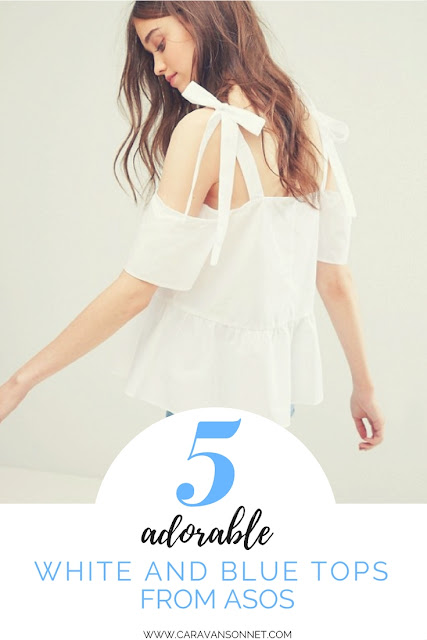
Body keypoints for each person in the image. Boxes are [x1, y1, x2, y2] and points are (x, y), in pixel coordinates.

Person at [0, 1, 384, 450]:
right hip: (274, 386)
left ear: (203, 20)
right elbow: (334, 277)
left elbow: (137, 288)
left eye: (160, 44)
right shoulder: (305, 122)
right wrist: (364, 387)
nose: (158, 67)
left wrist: (20, 381)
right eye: (150, 54)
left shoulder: (205, 130)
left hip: (208, 386)